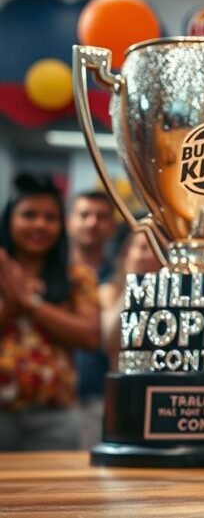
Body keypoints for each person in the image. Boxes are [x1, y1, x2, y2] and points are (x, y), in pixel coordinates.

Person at [0, 173, 100, 451]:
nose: (40, 225)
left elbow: (90, 337)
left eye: (50, 218)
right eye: (29, 215)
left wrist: (31, 303)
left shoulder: (77, 276)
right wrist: (11, 305)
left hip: (54, 416)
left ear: (61, 224)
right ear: (10, 219)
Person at [65, 190, 117, 450]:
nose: (92, 223)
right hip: (53, 397)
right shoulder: (54, 274)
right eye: (84, 214)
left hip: (102, 399)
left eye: (101, 216)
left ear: (112, 226)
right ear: (69, 221)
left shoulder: (120, 278)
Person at [98, 229, 162, 358]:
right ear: (126, 254)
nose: (151, 255)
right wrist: (133, 285)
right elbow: (108, 341)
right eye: (143, 248)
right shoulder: (109, 291)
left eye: (159, 249)